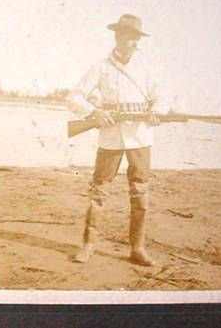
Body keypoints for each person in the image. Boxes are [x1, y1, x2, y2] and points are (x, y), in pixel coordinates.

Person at [67, 14, 168, 266]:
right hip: (110, 138)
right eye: (130, 36)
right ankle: (88, 245)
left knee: (140, 192)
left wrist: (157, 112)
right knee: (99, 190)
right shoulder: (100, 67)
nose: (135, 42)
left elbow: (162, 98)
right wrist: (95, 113)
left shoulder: (147, 69)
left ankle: (138, 248)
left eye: (137, 37)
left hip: (140, 138)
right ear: (118, 36)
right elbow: (73, 97)